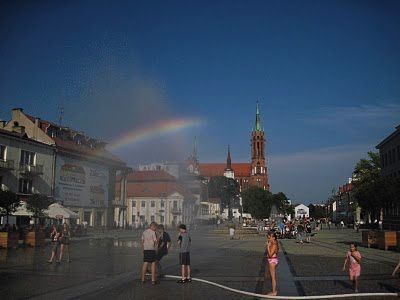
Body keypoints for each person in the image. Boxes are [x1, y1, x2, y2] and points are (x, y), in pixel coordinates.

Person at [266, 231, 279, 296]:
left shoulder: (274, 244)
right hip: (272, 260)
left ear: (273, 237)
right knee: (271, 276)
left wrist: (268, 247)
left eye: (269, 238)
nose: (269, 239)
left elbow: (270, 254)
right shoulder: (274, 242)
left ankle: (274, 292)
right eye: (268, 238)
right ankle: (273, 290)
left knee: (273, 277)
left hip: (272, 261)